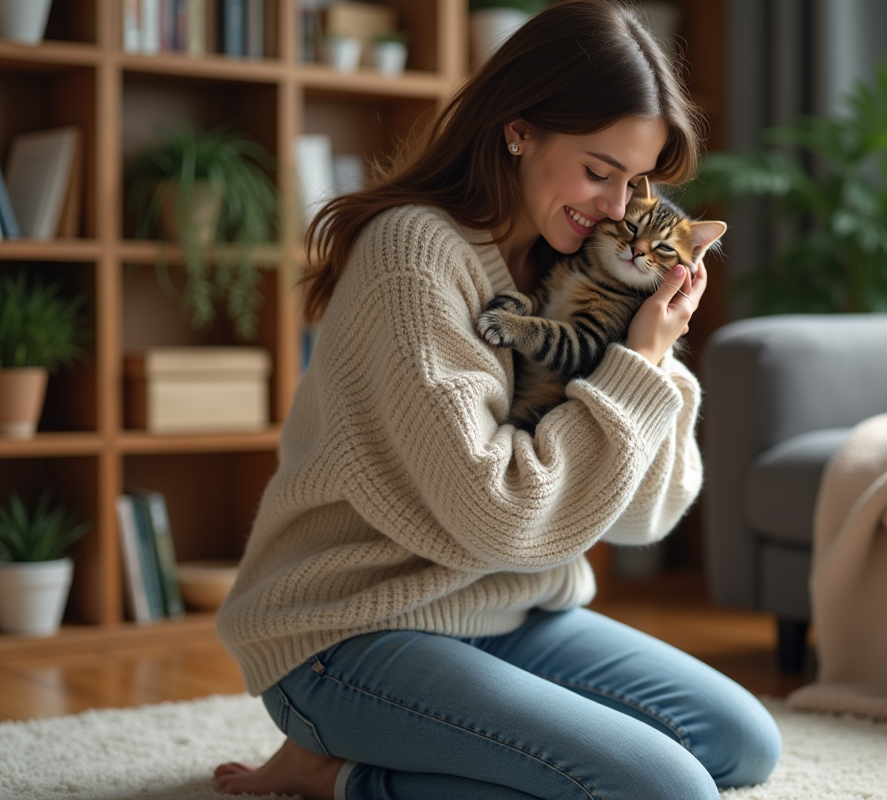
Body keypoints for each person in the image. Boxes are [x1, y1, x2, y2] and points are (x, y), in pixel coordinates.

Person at [212, 2, 781, 798]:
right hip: (350, 629)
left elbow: (644, 515)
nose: (618, 209)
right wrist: (636, 364)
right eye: (597, 170)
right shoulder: (415, 256)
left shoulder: (573, 267)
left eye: (632, 181)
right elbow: (501, 514)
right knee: (665, 792)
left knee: (743, 746)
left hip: (509, 611)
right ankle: (338, 775)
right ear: (520, 130)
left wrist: (654, 352)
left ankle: (406, 750)